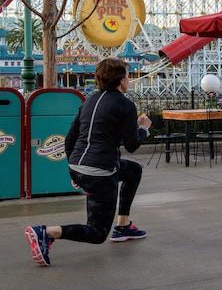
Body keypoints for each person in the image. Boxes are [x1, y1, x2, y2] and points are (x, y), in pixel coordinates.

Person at [25, 58, 152, 267]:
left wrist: (74, 172)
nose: (129, 80)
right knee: (97, 233)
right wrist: (144, 128)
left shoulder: (89, 101)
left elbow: (69, 140)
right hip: (100, 172)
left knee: (133, 170)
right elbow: (131, 145)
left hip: (77, 166)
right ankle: (47, 233)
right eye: (128, 76)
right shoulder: (126, 104)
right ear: (121, 81)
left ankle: (123, 225)